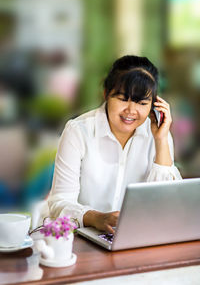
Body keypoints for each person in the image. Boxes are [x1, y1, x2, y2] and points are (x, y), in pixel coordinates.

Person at [46, 55, 182, 234]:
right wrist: (96, 218)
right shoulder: (78, 131)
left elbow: (169, 206)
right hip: (82, 238)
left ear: (154, 104)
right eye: (123, 99)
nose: (131, 111)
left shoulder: (158, 134)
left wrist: (161, 140)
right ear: (106, 94)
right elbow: (59, 203)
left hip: (139, 236)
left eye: (142, 102)